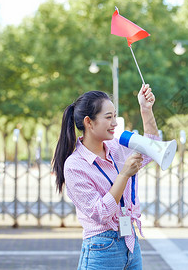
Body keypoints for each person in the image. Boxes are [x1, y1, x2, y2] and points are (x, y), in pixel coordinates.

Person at [52, 84, 159, 270]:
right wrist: (124, 174)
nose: (115, 123)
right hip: (101, 249)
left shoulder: (116, 148)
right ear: (89, 122)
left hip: (130, 243)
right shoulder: (75, 165)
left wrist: (146, 109)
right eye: (108, 117)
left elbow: (154, 148)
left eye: (114, 116)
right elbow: (101, 213)